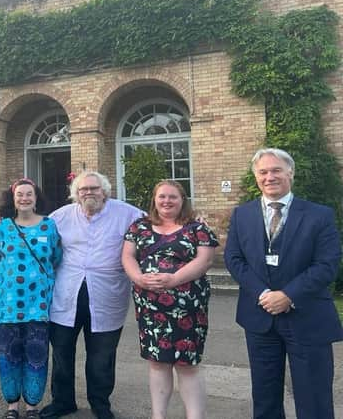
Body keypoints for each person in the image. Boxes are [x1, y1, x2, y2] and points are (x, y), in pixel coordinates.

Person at [224, 148, 343, 419]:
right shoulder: (242, 215)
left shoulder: (319, 215)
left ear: (290, 173)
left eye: (276, 170)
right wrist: (264, 293)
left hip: (307, 315)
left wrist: (288, 295)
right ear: (256, 177)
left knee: (314, 397)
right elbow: (234, 258)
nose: (269, 177)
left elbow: (327, 264)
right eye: (263, 172)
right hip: (259, 317)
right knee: (265, 397)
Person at [40, 170, 144, 419]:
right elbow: (34, 233)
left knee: (102, 355)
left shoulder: (129, 214)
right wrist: (5, 218)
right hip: (67, 295)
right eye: (83, 189)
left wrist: (192, 220)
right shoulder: (60, 216)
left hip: (107, 296)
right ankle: (63, 401)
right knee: (62, 352)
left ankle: (100, 402)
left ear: (105, 191)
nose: (89, 193)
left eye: (94, 189)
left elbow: (160, 228)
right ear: (75, 194)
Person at [122, 180, 218, 419]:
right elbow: (127, 256)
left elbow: (205, 260)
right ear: (154, 200)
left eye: (172, 197)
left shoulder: (197, 228)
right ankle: (158, 415)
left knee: (187, 365)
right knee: (157, 362)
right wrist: (139, 279)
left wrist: (173, 279)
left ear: (182, 199)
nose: (166, 201)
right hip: (150, 308)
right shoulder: (139, 226)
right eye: (162, 196)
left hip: (188, 309)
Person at [0, 179, 63, 419]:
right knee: (8, 355)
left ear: (36, 198)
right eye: (20, 194)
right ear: (14, 198)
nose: (25, 198)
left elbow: (56, 257)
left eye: (29, 194)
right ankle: (12, 406)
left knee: (36, 355)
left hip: (38, 305)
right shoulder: (3, 227)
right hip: (6, 306)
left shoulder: (49, 226)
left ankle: (32, 406)